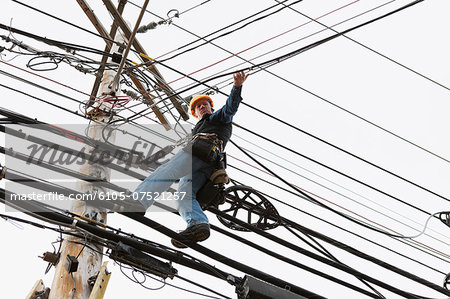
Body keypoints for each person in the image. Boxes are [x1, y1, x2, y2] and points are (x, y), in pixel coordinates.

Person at [132, 71, 249, 248]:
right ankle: (197, 224)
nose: (202, 107)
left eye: (205, 104)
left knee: (166, 172)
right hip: (208, 163)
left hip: (201, 151)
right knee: (183, 195)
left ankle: (138, 201)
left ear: (211, 107)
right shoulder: (199, 127)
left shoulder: (217, 118)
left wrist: (237, 87)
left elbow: (229, 109)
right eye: (198, 106)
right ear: (194, 113)